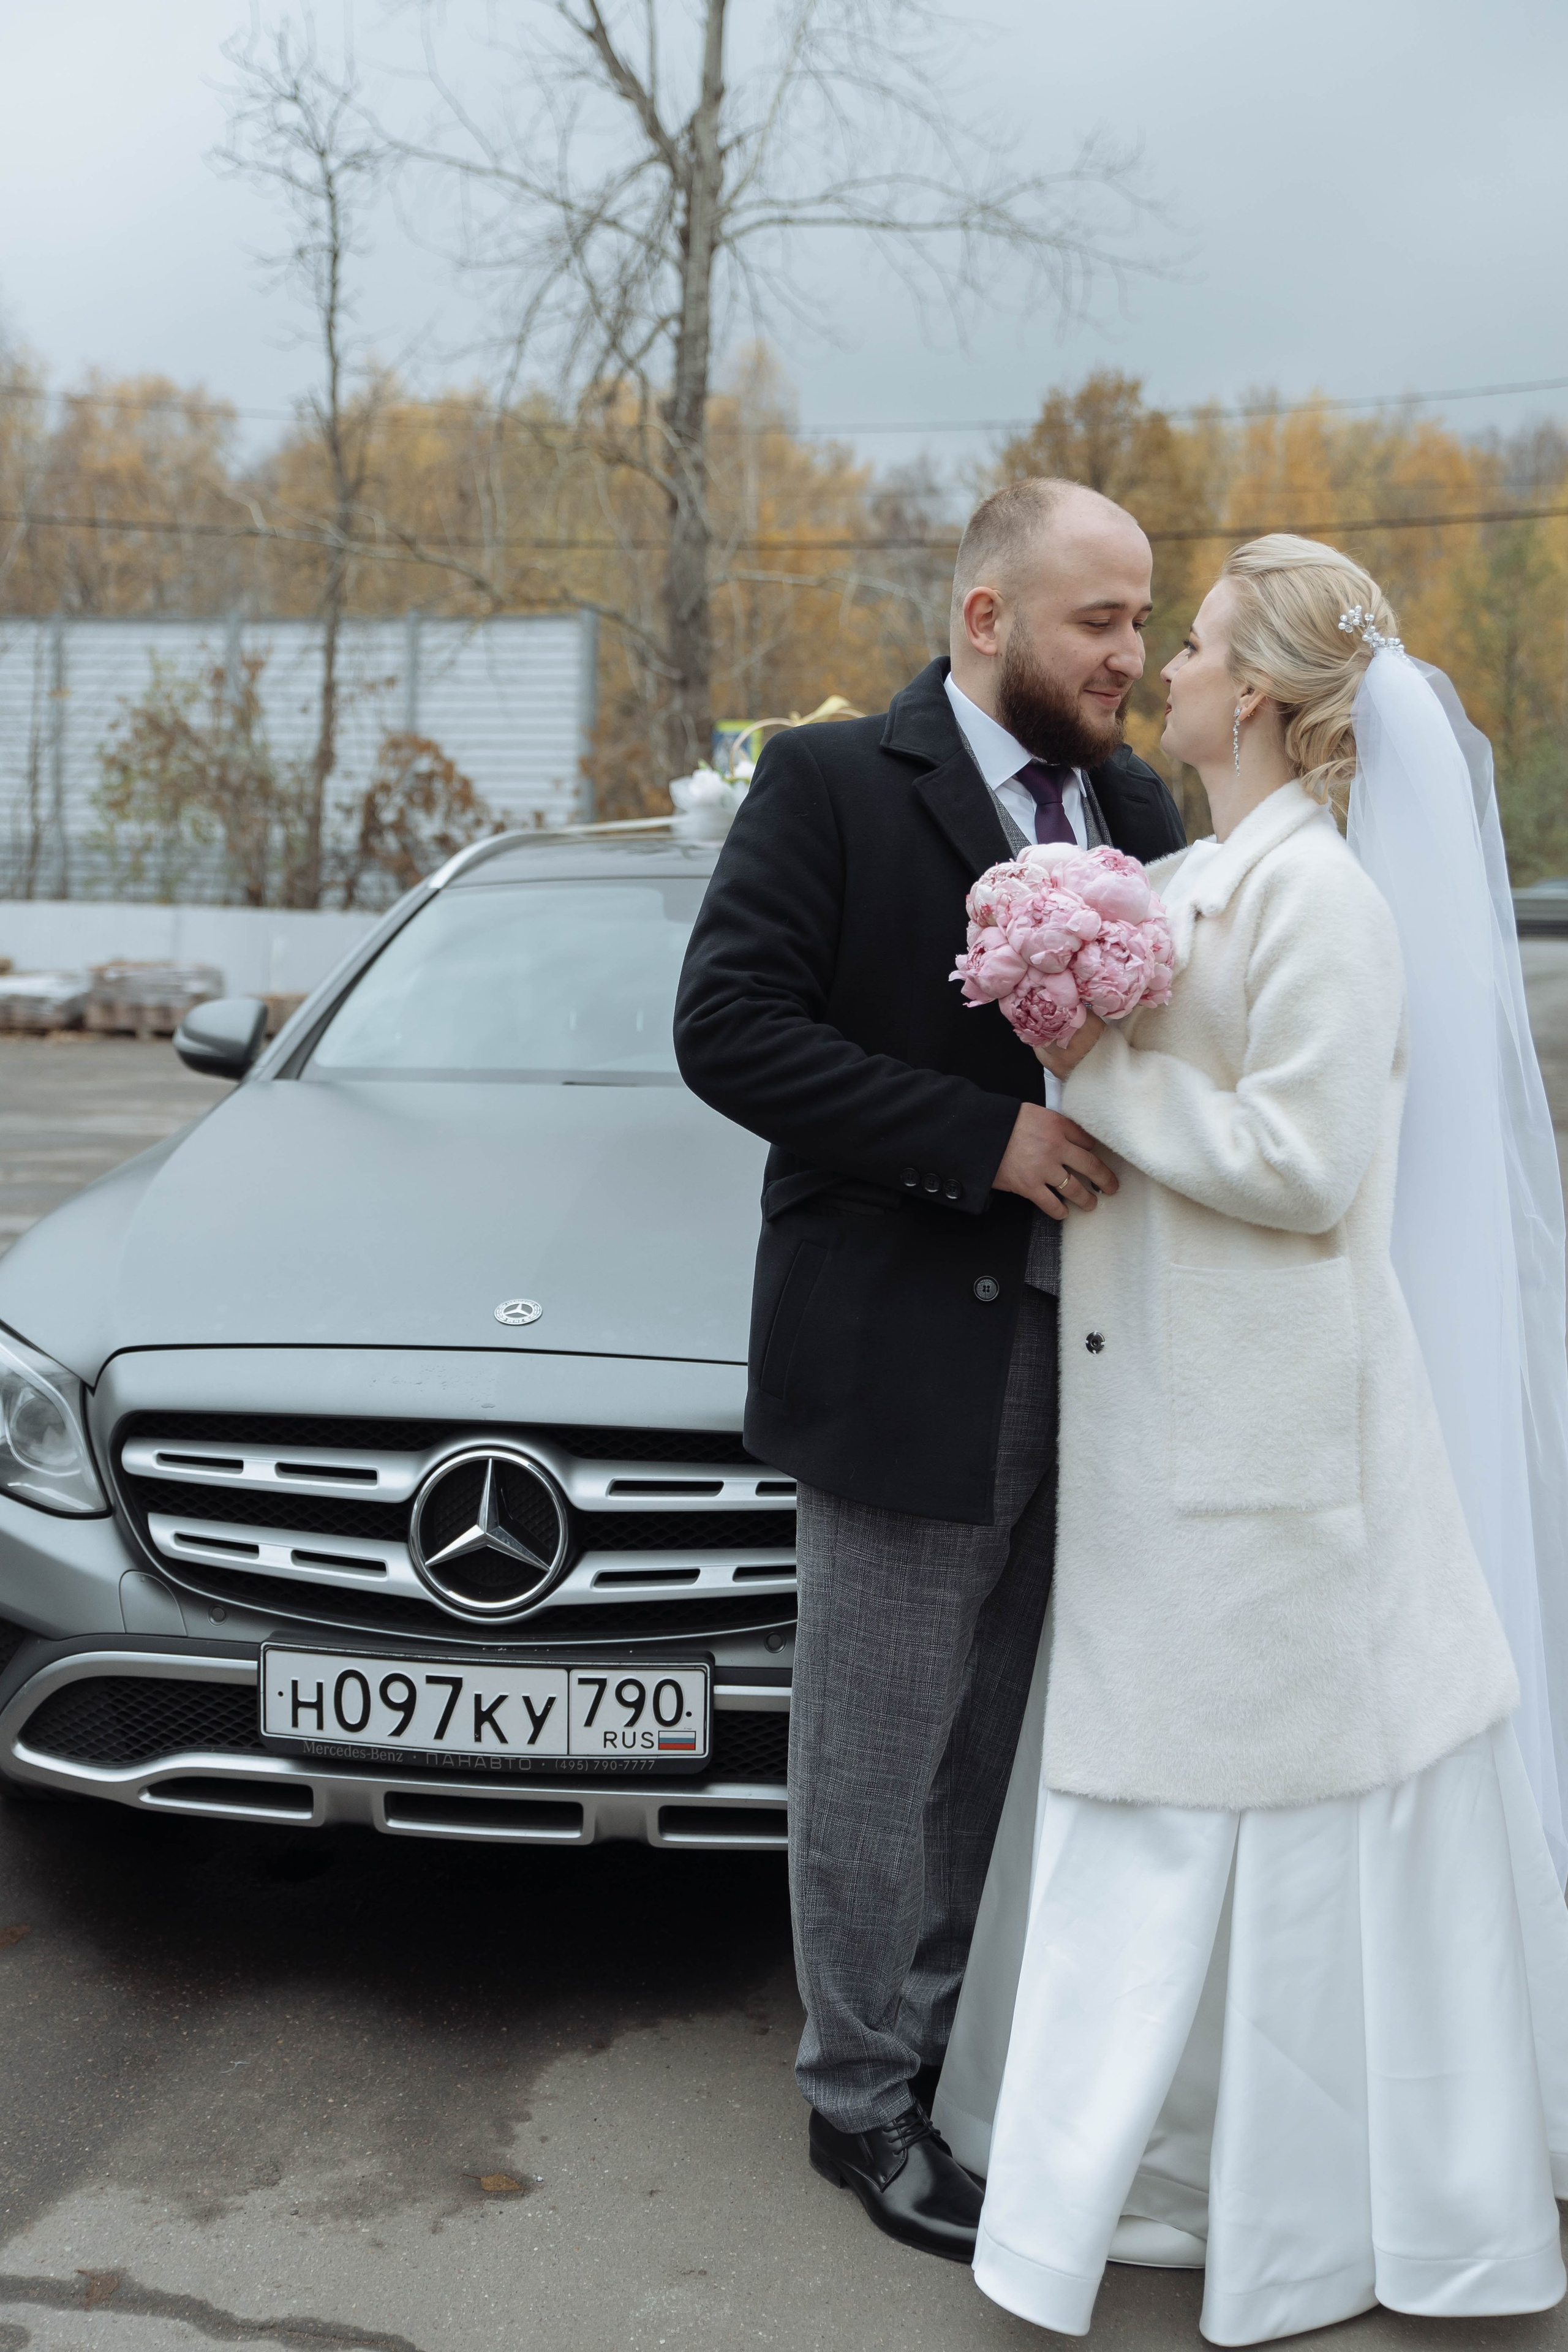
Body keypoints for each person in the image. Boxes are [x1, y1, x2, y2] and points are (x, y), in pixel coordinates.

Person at [934, 534, 1568, 2344]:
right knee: (1167, 1812)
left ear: (1264, 702)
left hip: (1272, 1452)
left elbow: (1303, 1170)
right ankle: (1154, 2174)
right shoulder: (1207, 872)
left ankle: (1282, 2204)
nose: (1169, 674)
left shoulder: (1330, 905)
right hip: (1173, 1434)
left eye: (1196, 647)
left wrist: (1109, 1067)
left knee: (1253, 1824)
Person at [673, 480, 1185, 2261]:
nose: (1128, 655)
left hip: (1107, 1353)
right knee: (878, 1748)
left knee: (1001, 1740)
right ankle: (859, 2100)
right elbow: (729, 1030)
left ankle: (954, 2056)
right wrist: (982, 1142)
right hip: (899, 1337)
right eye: (1095, 622)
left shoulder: (1140, 808)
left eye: (1141, 622)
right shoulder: (828, 786)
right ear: (985, 618)